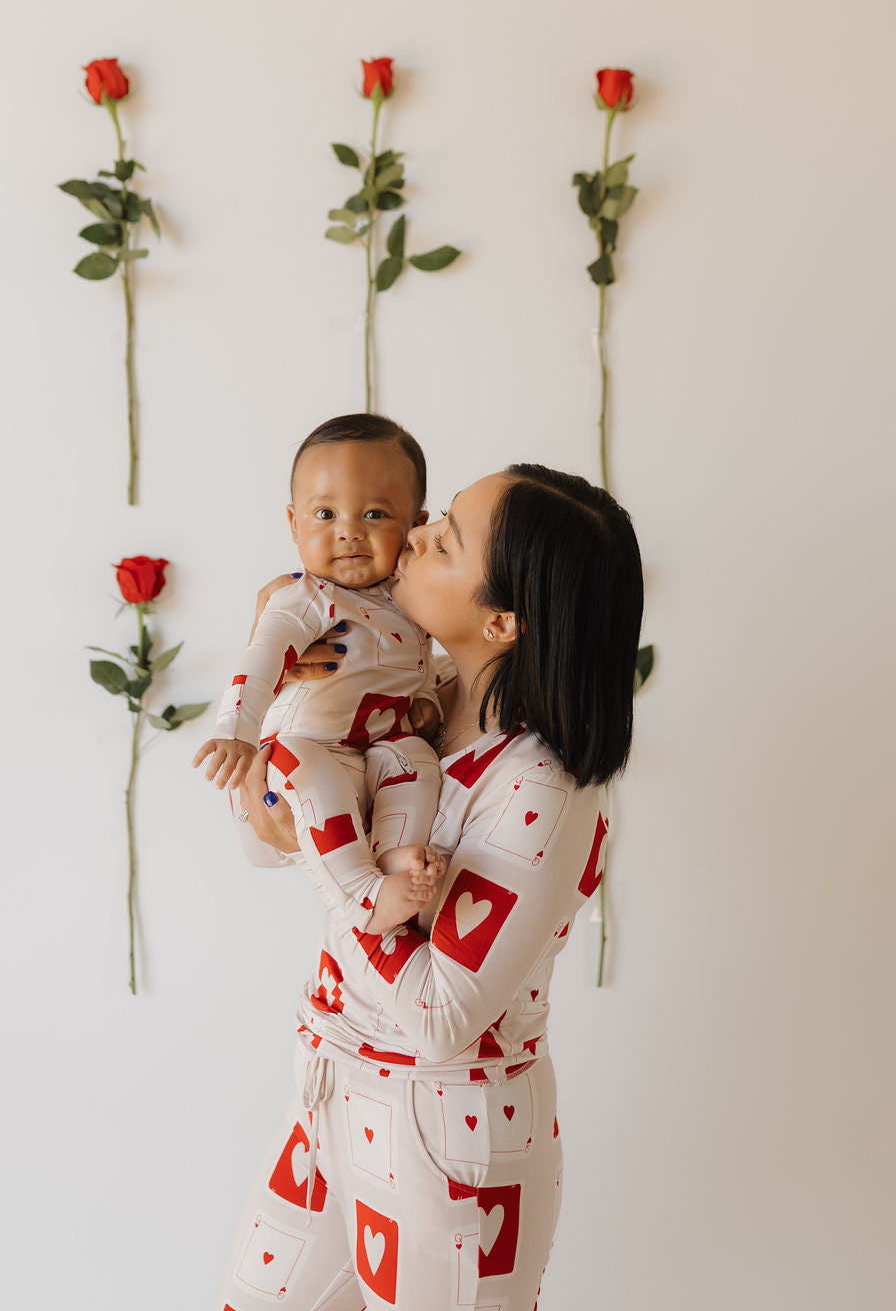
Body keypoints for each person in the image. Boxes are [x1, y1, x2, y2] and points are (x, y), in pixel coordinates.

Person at [210, 465, 643, 1310]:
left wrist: (326, 859)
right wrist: (294, 694)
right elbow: (263, 838)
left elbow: (440, 1016)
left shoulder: (541, 789)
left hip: (447, 1138)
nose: (408, 535)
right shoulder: (414, 702)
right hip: (334, 1089)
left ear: (503, 619)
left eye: (443, 539)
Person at [194, 413, 447, 935]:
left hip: (361, 766)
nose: (348, 531)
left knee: (414, 756)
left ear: (416, 525)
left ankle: (394, 857)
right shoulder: (304, 598)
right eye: (325, 513)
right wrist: (236, 732)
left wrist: (427, 700)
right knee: (302, 757)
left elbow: (416, 667)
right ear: (294, 524)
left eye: (374, 513)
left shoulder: (413, 606)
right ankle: (360, 895)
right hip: (286, 770)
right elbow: (260, 661)